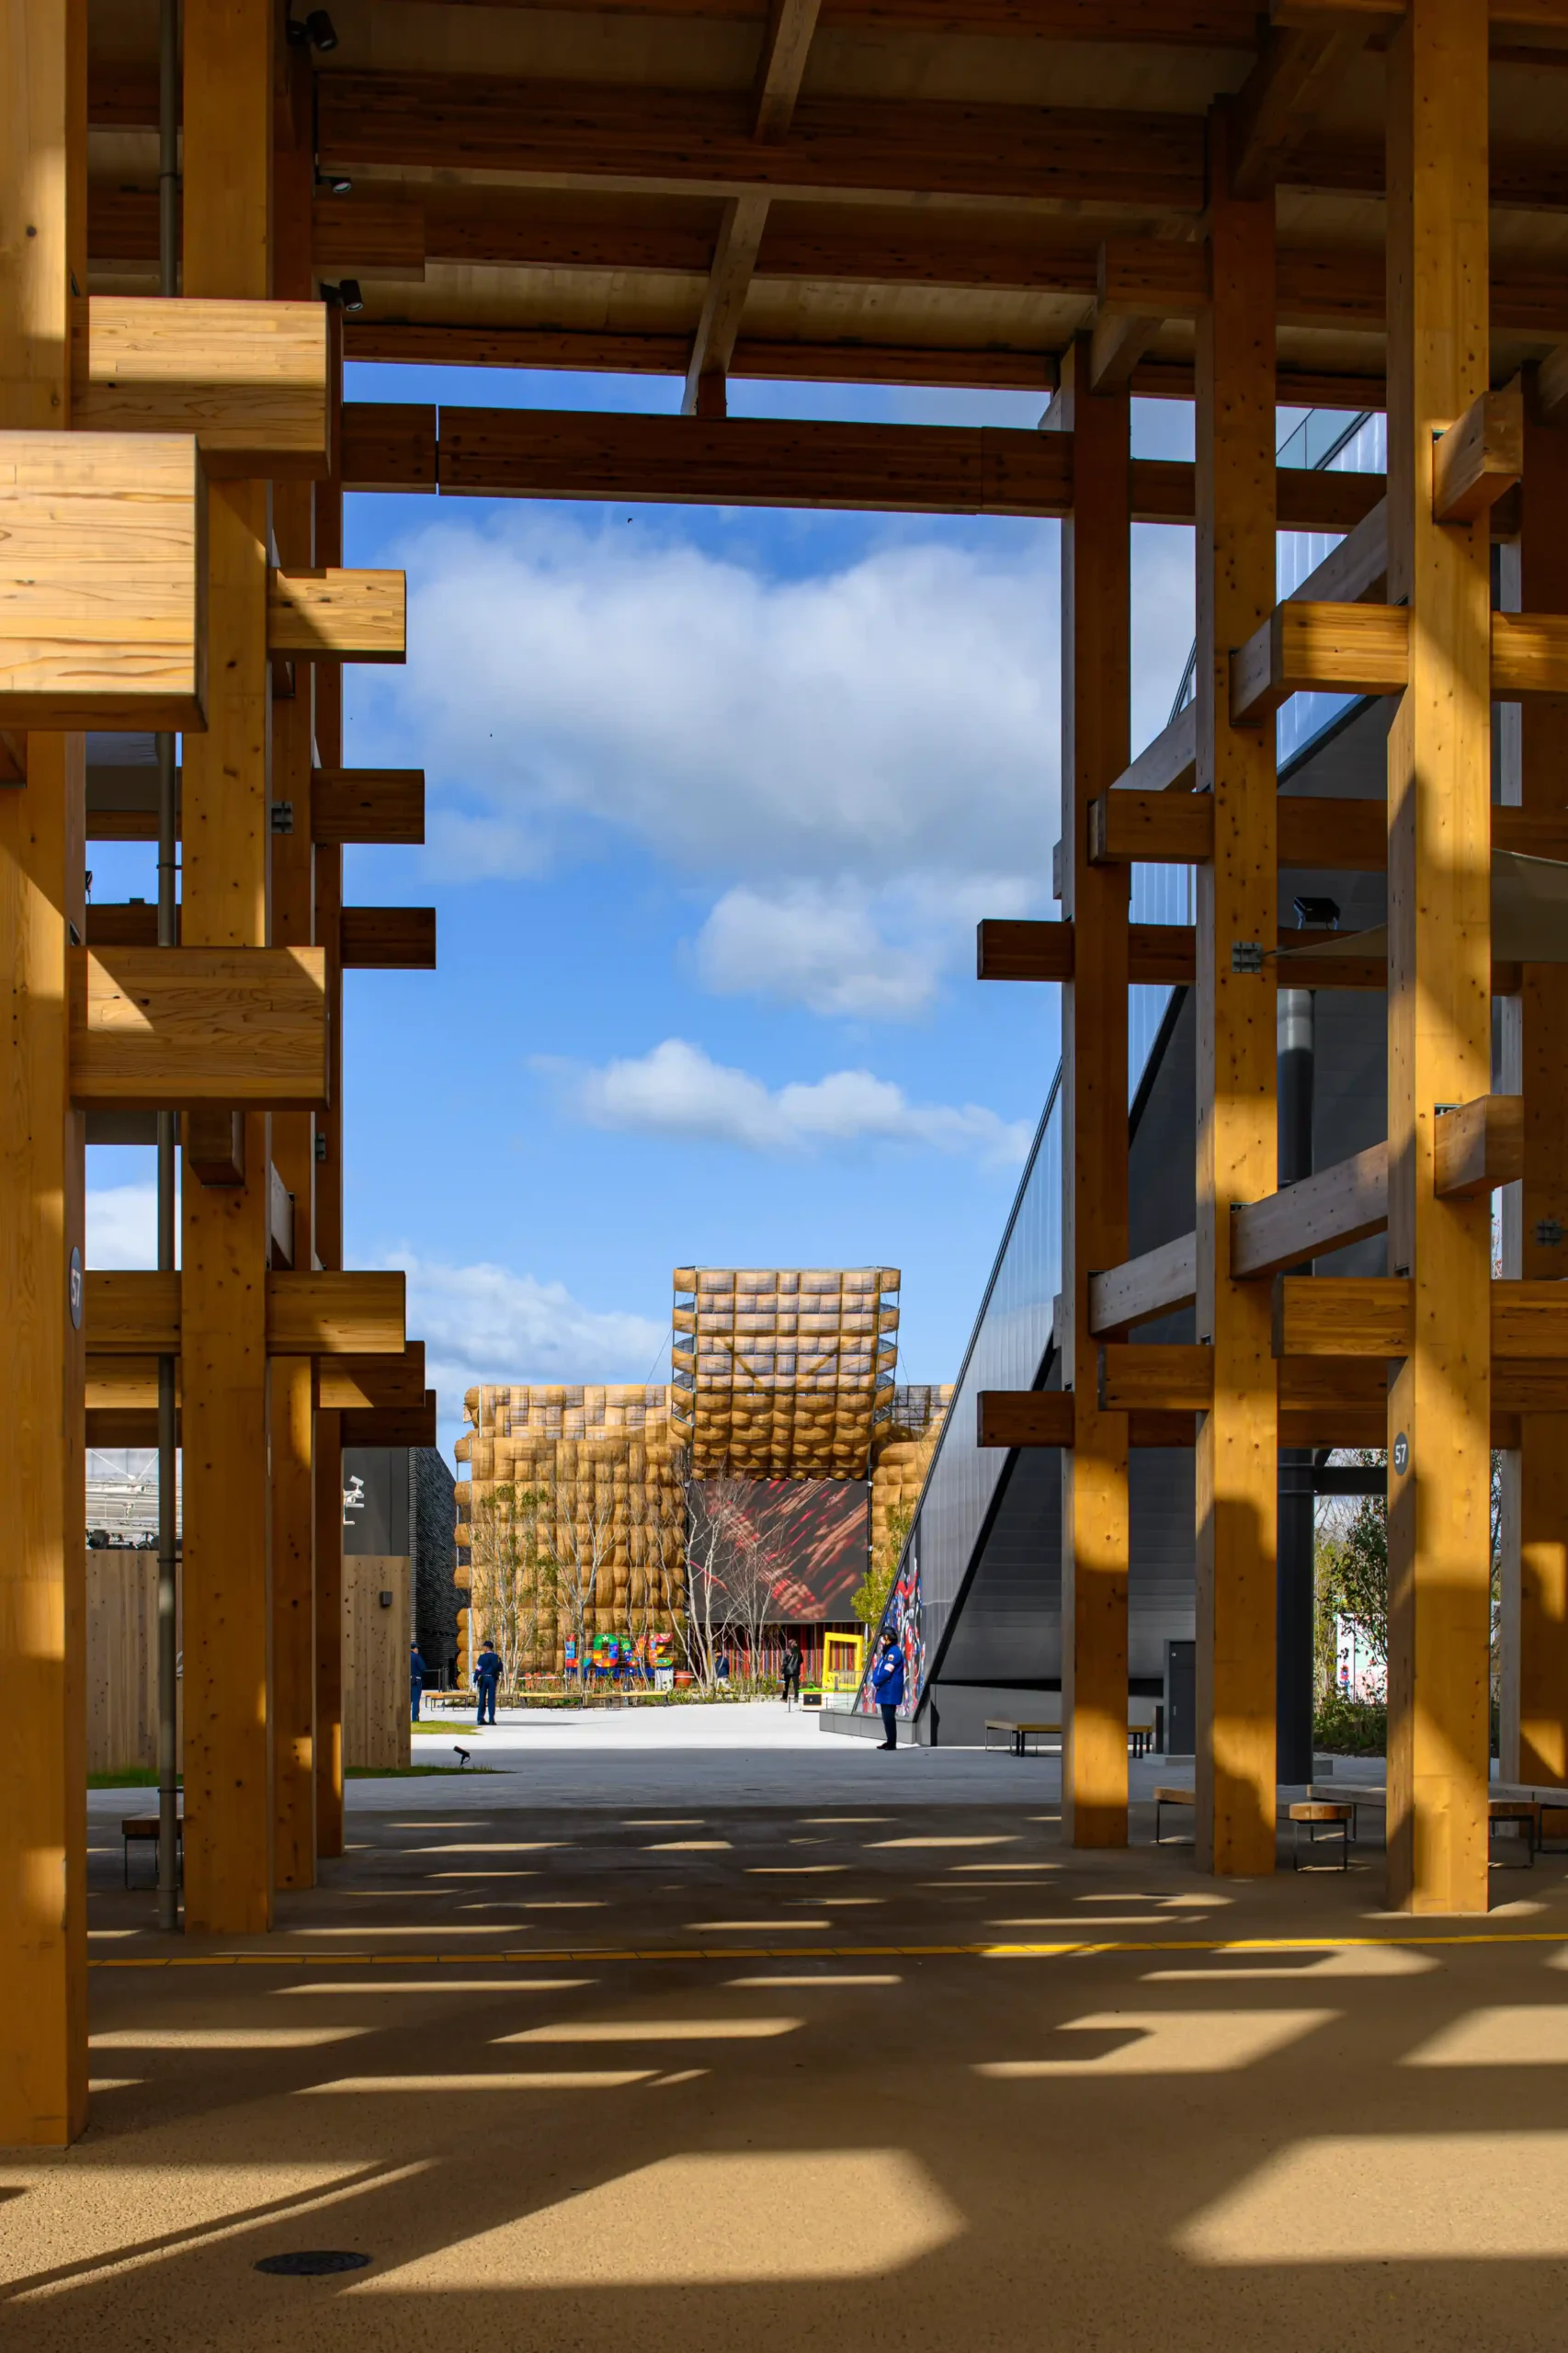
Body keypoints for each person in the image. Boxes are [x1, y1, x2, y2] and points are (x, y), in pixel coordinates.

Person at [869, 1631, 904, 1750]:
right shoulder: (888, 1651)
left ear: (887, 1637)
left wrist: (876, 1681)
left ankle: (892, 1743)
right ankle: (889, 1740)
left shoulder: (894, 1652)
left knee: (889, 1717)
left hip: (890, 1690)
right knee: (886, 1717)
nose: (881, 1640)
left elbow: (886, 1671)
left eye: (883, 1637)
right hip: (885, 1689)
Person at [473, 1637, 503, 1727]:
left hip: (483, 1679)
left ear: (487, 1648)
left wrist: (475, 1678)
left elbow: (478, 1669)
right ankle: (491, 1719)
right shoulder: (497, 1657)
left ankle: (480, 1718)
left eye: (484, 1647)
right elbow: (500, 1668)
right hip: (492, 1679)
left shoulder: (482, 1657)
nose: (483, 1648)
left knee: (482, 1699)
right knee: (491, 1699)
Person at [780, 1634, 803, 1710]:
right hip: (796, 1670)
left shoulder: (787, 1650)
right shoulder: (798, 1651)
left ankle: (784, 1698)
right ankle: (796, 1698)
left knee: (786, 1685)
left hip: (787, 1670)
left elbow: (785, 1661)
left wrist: (782, 1670)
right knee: (796, 1685)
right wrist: (796, 1665)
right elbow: (801, 1660)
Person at [410, 1642, 427, 1722]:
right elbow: (423, 1668)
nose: (417, 1650)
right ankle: (414, 1718)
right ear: (413, 1649)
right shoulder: (416, 1657)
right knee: (415, 1700)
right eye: (417, 1648)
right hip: (416, 1680)